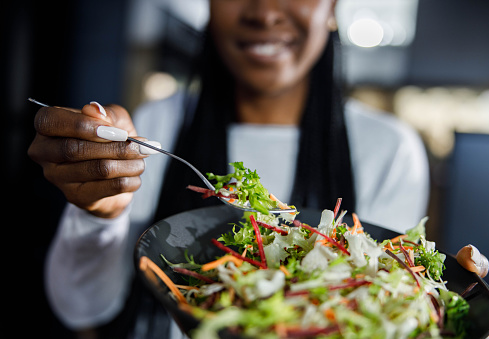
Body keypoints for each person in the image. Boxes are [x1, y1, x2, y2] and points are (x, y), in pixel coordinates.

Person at [28, 0, 429, 338]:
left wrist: (429, 292)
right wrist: (100, 214)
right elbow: (81, 308)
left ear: (333, 8)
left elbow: (385, 310)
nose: (265, 12)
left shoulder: (389, 150)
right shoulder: (154, 130)